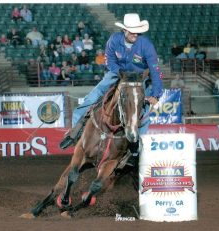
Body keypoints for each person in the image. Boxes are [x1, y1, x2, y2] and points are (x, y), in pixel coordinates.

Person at [60, 13, 163, 157]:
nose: (135, 34)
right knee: (93, 96)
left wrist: (156, 94)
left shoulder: (146, 45)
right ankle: (75, 132)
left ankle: (136, 148)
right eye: (132, 30)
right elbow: (109, 61)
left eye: (137, 30)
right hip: (117, 73)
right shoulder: (114, 40)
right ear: (125, 30)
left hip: (139, 77)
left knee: (144, 110)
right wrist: (119, 72)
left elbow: (155, 70)